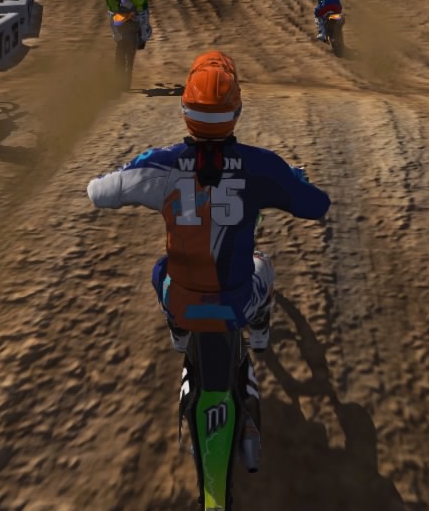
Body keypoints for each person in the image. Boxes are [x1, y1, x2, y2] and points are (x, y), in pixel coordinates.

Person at [87, 50, 330, 359]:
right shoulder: (263, 165)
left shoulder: (158, 163)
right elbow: (317, 206)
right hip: (238, 300)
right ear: (236, 110)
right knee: (263, 264)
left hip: (182, 300)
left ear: (185, 108)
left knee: (160, 268)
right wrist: (294, 181)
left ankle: (179, 331)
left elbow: (97, 192)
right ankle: (259, 330)